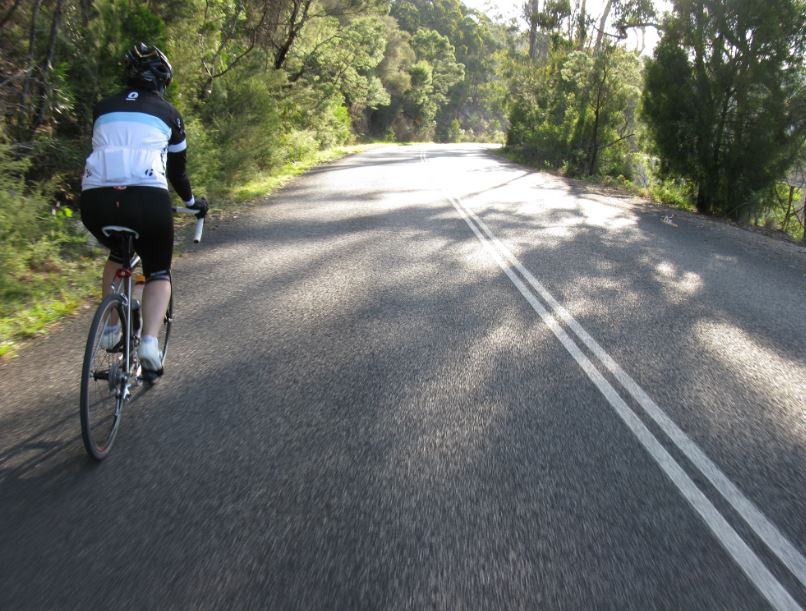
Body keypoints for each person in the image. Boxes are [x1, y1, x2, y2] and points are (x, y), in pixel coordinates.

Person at [80, 42, 207, 375]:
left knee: (117, 256)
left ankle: (109, 327)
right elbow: (177, 172)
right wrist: (193, 204)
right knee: (158, 271)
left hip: (95, 202)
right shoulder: (169, 114)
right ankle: (149, 341)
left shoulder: (102, 108)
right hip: (148, 200)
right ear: (162, 80)